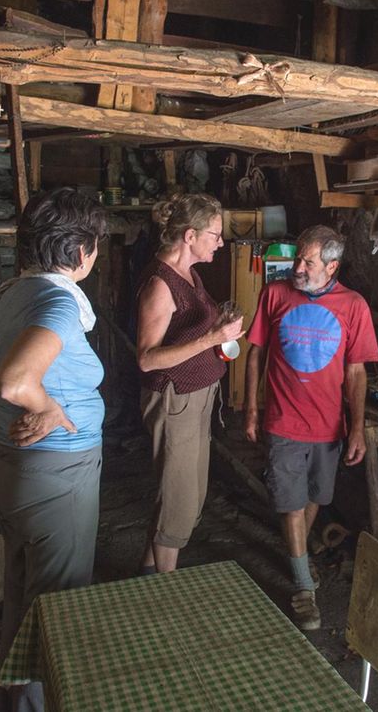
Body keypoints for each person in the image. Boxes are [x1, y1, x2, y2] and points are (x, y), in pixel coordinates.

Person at [0, 188, 107, 691]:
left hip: (19, 469)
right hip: (55, 477)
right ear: (80, 249)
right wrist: (48, 406)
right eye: (95, 244)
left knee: (24, 603)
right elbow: (15, 381)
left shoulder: (15, 291)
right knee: (57, 613)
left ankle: (15, 699)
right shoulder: (56, 300)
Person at [244, 225, 378, 630]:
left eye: (308, 262)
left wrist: (357, 427)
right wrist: (251, 409)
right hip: (284, 419)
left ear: (332, 266)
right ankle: (303, 586)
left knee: (316, 495)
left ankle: (298, 552)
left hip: (328, 424)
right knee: (289, 500)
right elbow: (255, 355)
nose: (297, 267)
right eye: (298, 258)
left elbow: (356, 373)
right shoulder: (275, 295)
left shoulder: (353, 306)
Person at [135, 193, 243, 574]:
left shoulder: (190, 275)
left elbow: (195, 331)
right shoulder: (160, 285)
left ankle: (148, 571)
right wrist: (211, 340)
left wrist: (220, 330)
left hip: (199, 394)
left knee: (188, 495)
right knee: (179, 499)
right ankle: (167, 590)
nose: (220, 241)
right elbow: (147, 358)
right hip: (174, 398)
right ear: (190, 236)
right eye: (215, 234)